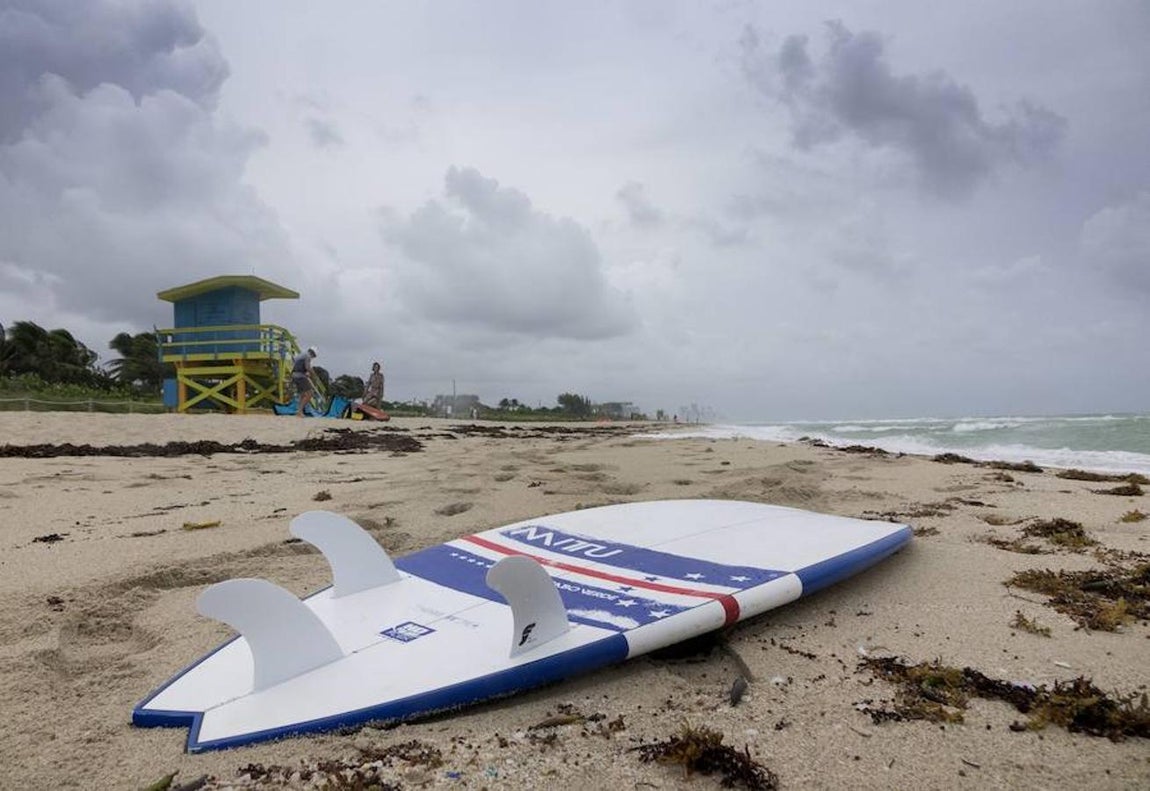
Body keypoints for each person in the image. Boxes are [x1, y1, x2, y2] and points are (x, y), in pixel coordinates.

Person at [292, 346, 317, 416]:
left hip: (295, 376)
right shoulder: (307, 356)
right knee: (310, 393)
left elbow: (296, 365)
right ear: (313, 353)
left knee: (302, 394)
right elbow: (307, 367)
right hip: (300, 377)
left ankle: (299, 411)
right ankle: (300, 411)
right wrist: (313, 374)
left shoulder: (301, 355)